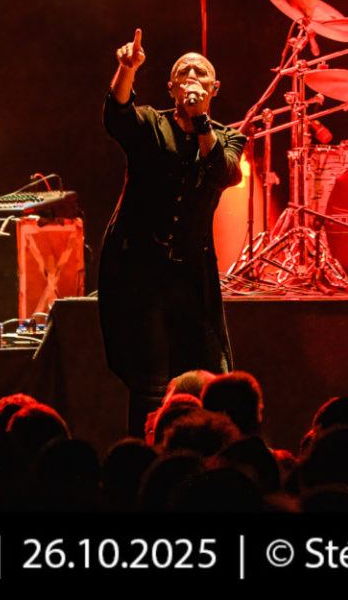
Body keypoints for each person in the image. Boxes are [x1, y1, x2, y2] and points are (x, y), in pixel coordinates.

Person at [101, 30, 248, 437]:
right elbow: (117, 115)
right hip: (141, 271)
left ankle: (199, 448)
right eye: (184, 72)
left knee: (205, 373)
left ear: (214, 88)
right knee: (149, 377)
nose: (192, 77)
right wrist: (126, 69)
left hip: (192, 274)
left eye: (201, 73)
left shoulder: (228, 137)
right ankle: (146, 454)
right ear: (171, 88)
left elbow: (223, 173)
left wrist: (201, 121)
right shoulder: (152, 123)